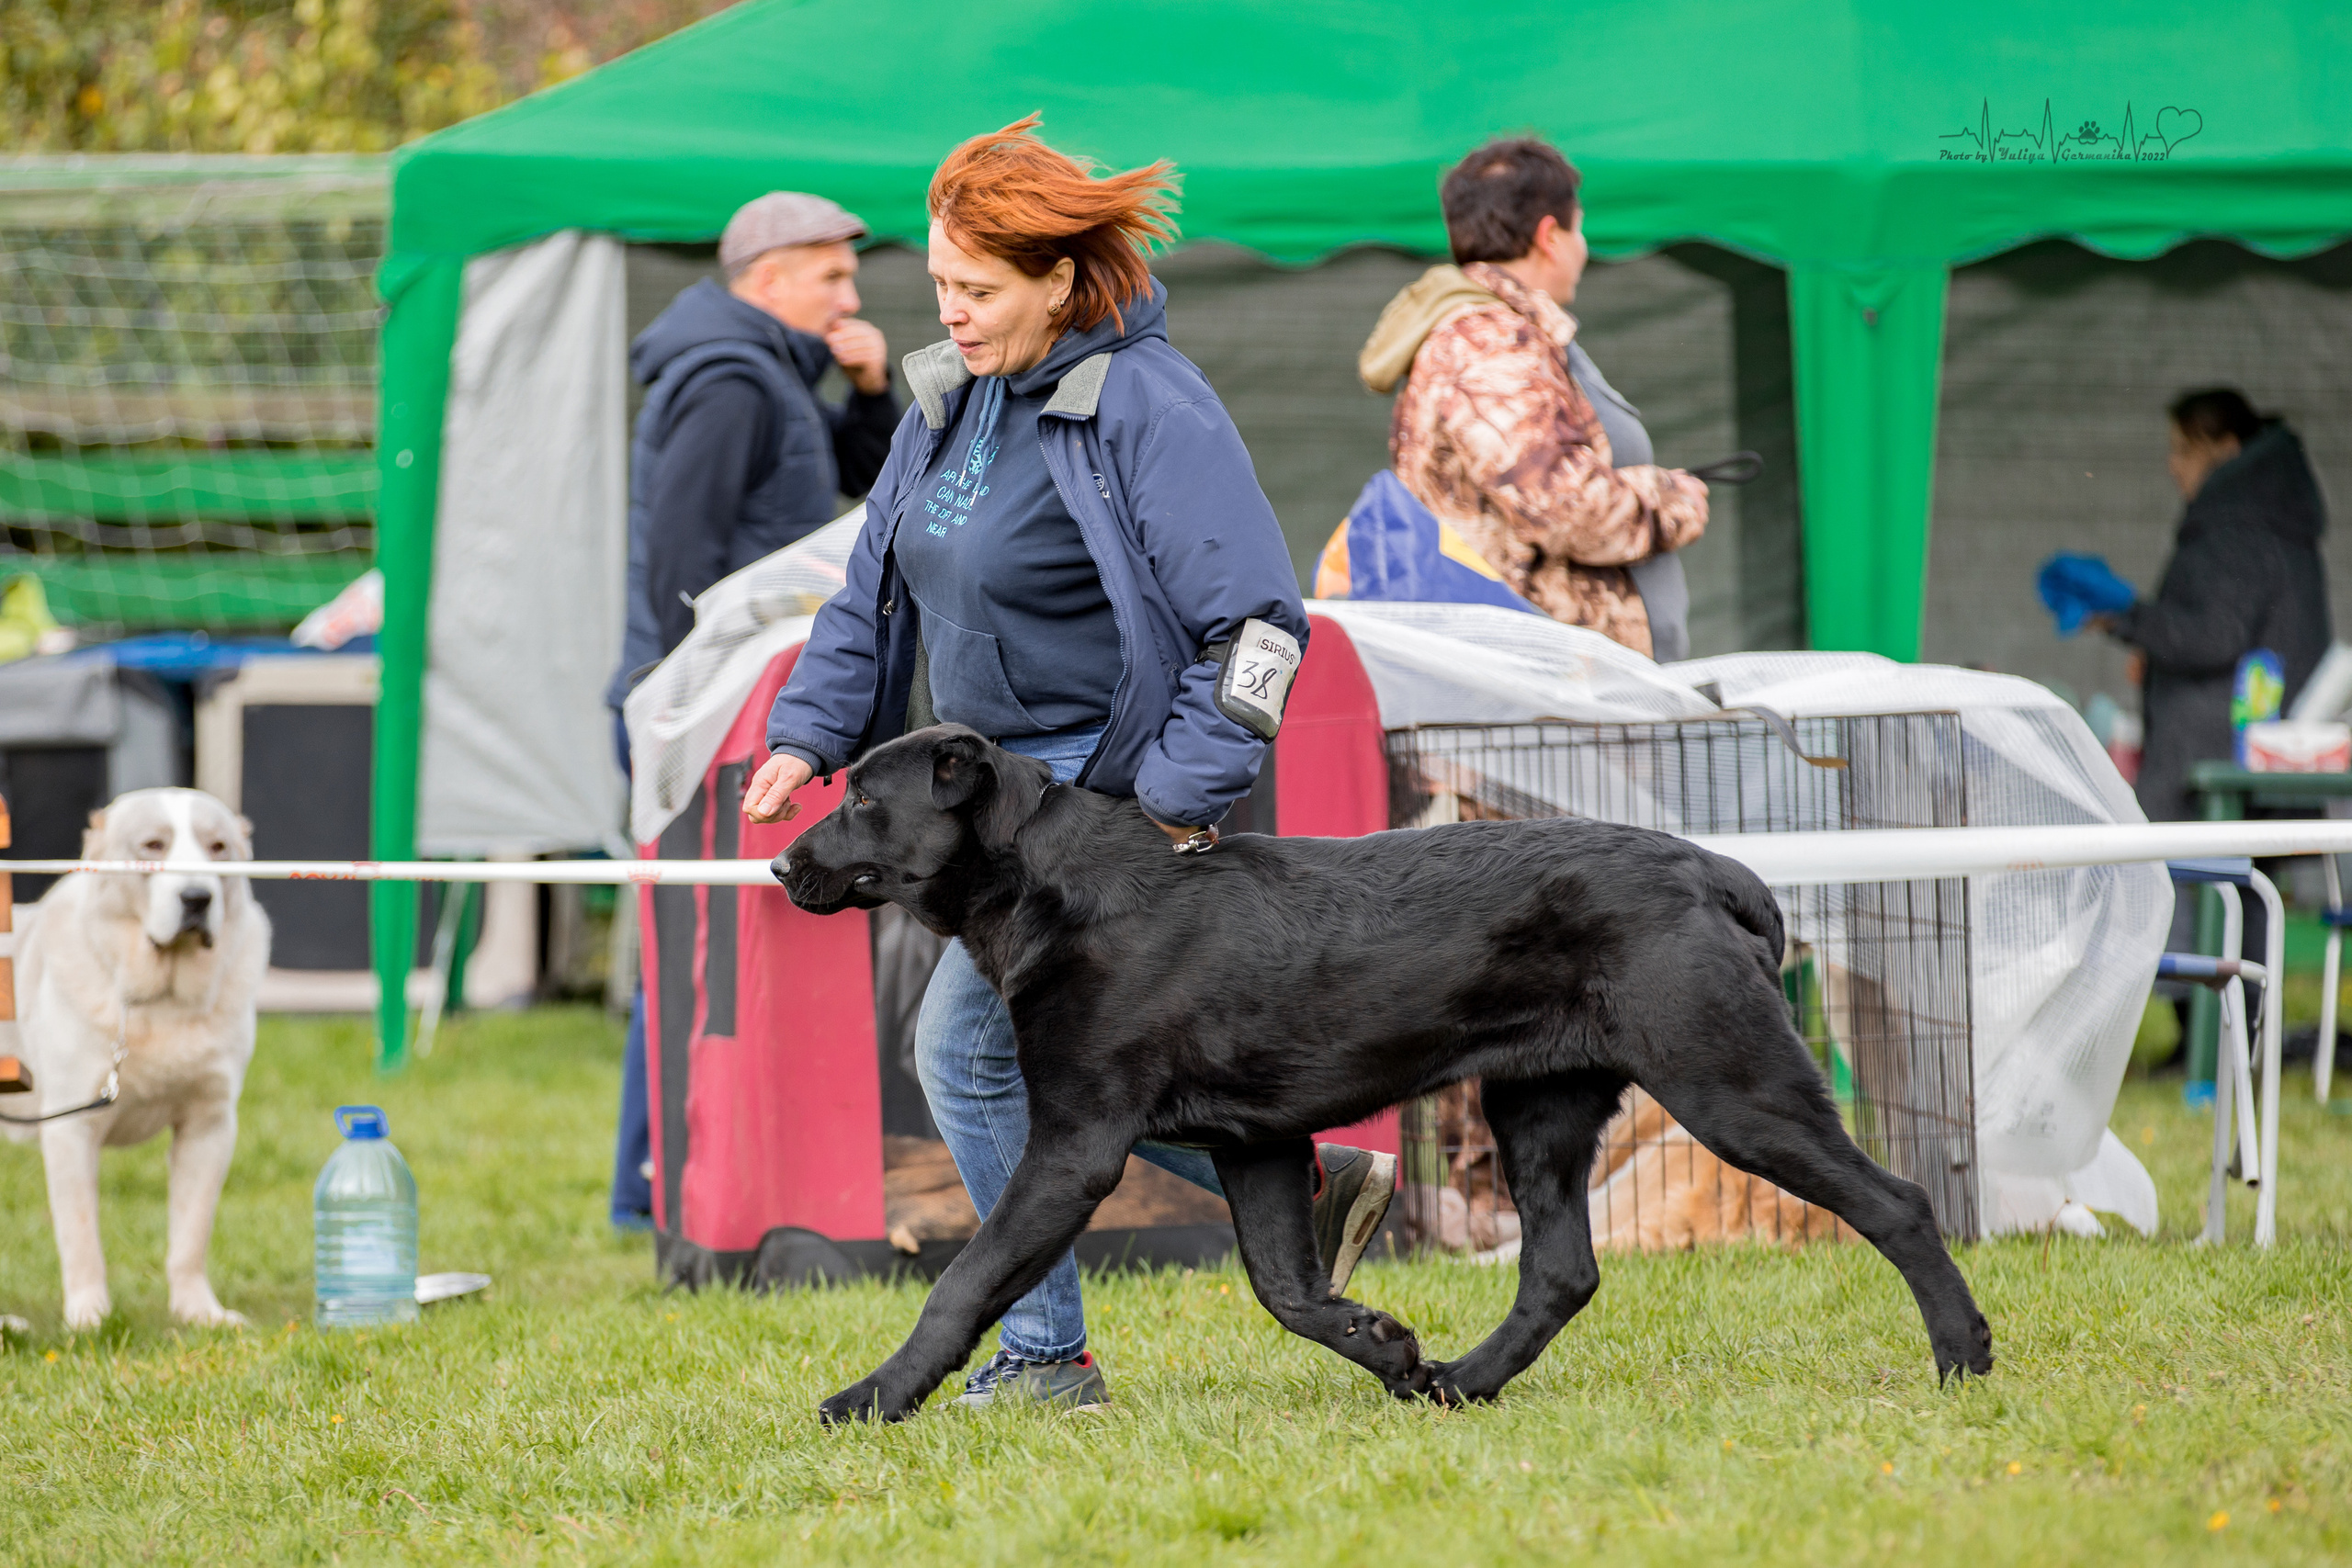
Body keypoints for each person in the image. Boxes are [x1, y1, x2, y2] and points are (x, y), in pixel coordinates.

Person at [741, 117, 1397, 1410]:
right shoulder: (949, 396)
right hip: (978, 810)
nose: (952, 312)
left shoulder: (1153, 403)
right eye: (938, 284)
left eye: (978, 290)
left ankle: (1047, 1355)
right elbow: (866, 593)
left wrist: (1172, 800)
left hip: (1101, 803)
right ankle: (1297, 1180)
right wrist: (808, 736)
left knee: (971, 1058)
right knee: (1071, 1070)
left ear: (1061, 277)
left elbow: (1263, 628)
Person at [605, 192, 901, 1229]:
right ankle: (652, 1188)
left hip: (720, 710)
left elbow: (866, 487)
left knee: (702, 945)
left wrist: (869, 391)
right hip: (700, 712)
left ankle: (658, 1184)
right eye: (830, 276)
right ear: (766, 278)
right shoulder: (732, 379)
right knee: (696, 948)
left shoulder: (766, 370)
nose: (849, 294)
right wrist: (711, 700)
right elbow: (682, 568)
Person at [1352, 137, 1710, 659]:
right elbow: (1560, 504)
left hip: (1551, 688)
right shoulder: (1489, 343)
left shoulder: (1496, 333)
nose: (1583, 247)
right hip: (1544, 696)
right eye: (1578, 228)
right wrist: (1672, 500)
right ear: (1550, 236)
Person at [2100, 388, 2331, 824]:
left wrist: (2129, 617)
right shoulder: (2278, 517)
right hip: (2261, 762)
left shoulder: (2236, 526)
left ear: (2227, 450)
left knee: (2187, 887)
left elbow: (2213, 636)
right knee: (2248, 889)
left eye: (2185, 451)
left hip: (2209, 774)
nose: (2173, 466)